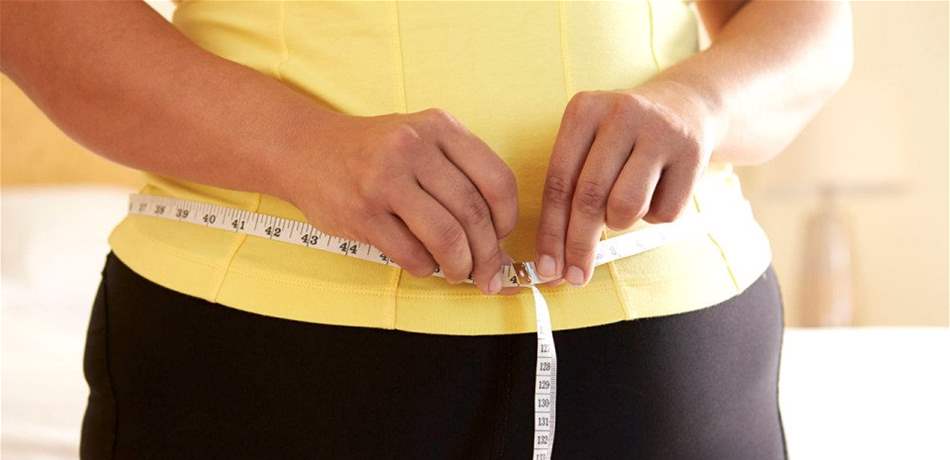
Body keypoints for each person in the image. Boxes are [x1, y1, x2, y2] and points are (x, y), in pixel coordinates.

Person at [1, 1, 852, 458]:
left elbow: (811, 20)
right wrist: (300, 145)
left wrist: (702, 101)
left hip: (672, 349)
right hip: (258, 352)